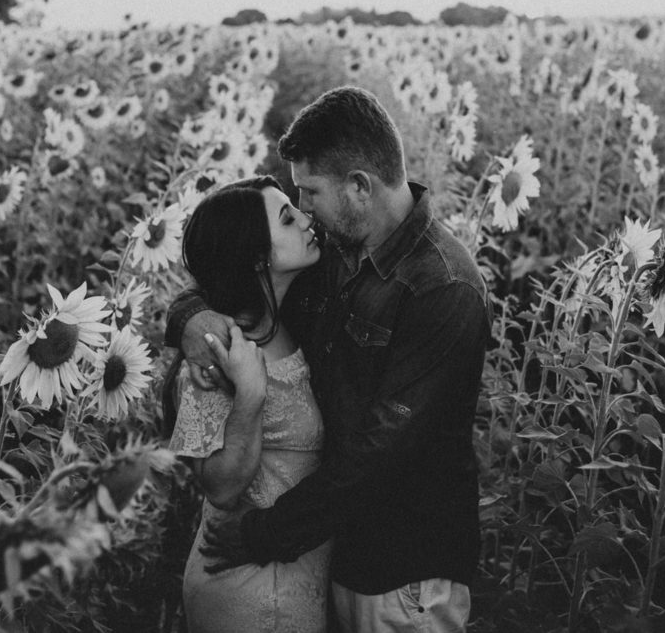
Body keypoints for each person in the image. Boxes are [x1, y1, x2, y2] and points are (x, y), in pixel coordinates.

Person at [166, 86, 490, 633]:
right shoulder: (337, 249)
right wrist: (191, 317)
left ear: (360, 187)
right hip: (325, 552)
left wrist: (260, 534)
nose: (304, 210)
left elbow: (380, 454)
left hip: (401, 571)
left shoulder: (443, 288)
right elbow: (240, 273)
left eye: (310, 192)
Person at [161, 175, 331, 632]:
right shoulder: (219, 352)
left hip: (296, 572)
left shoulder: (293, 315)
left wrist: (185, 316)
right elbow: (220, 486)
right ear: (259, 256)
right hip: (247, 588)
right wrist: (251, 394)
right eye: (286, 217)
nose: (304, 217)